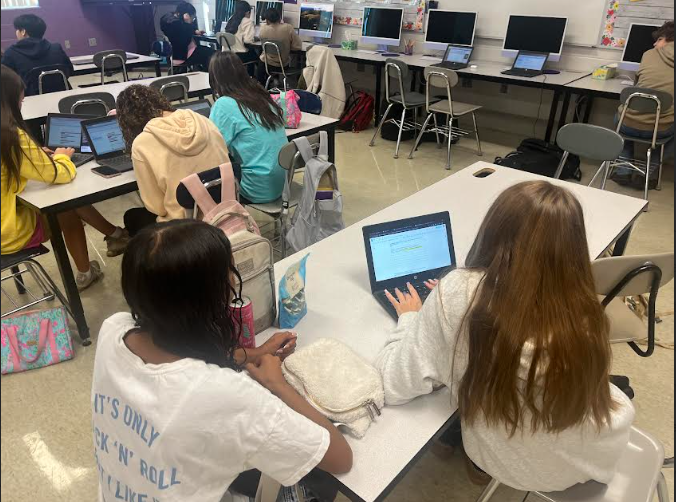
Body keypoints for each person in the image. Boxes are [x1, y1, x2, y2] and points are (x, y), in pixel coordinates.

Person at [375, 181, 635, 493]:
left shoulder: (457, 292)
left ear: (494, 231)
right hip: (578, 465)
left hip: (497, 459)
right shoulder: (584, 309)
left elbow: (394, 384)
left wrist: (414, 317)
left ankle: (456, 450)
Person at [91, 219, 353, 501]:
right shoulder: (226, 395)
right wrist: (277, 385)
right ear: (210, 297)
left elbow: (186, 354)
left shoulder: (114, 330)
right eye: (229, 270)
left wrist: (256, 352)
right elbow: (340, 458)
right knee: (320, 484)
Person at [1, 65, 127, 290]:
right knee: (64, 206)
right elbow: (60, 174)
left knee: (62, 201)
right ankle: (89, 266)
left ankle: (116, 235)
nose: (21, 106)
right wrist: (62, 157)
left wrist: (36, 153)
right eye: (19, 102)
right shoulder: (11, 138)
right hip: (9, 234)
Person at [115, 85, 230, 236]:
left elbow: (157, 208)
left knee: (132, 218)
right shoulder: (204, 121)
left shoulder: (142, 143)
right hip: (224, 213)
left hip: (182, 228)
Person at [209, 52, 288, 204]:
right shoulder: (260, 94)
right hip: (283, 183)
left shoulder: (224, 104)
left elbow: (213, 146)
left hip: (255, 188)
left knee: (203, 176)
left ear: (215, 78)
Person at [612, 20, 674, 188]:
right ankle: (648, 173)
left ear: (669, 38)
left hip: (626, 125)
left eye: (659, 39)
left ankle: (623, 170)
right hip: (659, 131)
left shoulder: (648, 54)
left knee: (621, 115)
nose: (655, 44)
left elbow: (640, 84)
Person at [1, 14, 73, 97]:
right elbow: (70, 71)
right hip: (63, 98)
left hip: (30, 101)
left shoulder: (10, 53)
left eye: (17, 29)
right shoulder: (56, 48)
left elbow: (5, 80)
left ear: (23, 32)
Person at [160, 2, 214, 71]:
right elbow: (185, 41)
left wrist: (195, 31)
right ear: (186, 15)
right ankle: (208, 76)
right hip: (182, 56)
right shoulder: (179, 26)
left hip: (174, 55)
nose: (192, 21)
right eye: (193, 18)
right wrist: (187, 22)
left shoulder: (167, 20)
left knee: (205, 51)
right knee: (211, 54)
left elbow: (182, 28)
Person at [258, 8, 302, 85]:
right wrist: (286, 47)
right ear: (279, 18)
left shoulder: (263, 29)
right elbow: (297, 47)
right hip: (282, 66)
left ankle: (266, 86)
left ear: (267, 20)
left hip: (266, 65)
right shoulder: (288, 28)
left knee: (260, 60)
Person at [225, 0, 258, 76]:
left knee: (252, 53)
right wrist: (254, 38)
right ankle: (252, 78)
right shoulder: (248, 22)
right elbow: (247, 40)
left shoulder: (230, 19)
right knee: (258, 57)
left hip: (229, 54)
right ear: (247, 12)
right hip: (241, 55)